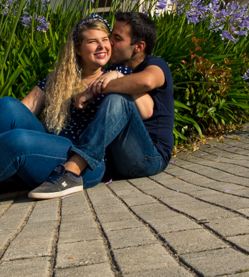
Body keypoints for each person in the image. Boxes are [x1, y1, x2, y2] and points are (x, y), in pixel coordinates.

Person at [0, 15, 153, 214]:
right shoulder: (58, 79)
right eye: (93, 41)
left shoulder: (118, 73)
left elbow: (145, 109)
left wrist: (117, 78)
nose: (102, 46)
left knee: (17, 141)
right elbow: (16, 113)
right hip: (48, 150)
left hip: (85, 165)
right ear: (77, 49)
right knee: (3, 105)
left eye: (105, 40)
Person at [28, 11, 174, 199]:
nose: (110, 42)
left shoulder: (154, 64)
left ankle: (72, 170)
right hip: (115, 159)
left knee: (118, 99)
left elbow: (146, 82)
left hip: (148, 157)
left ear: (138, 47)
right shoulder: (114, 70)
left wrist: (94, 90)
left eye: (117, 38)